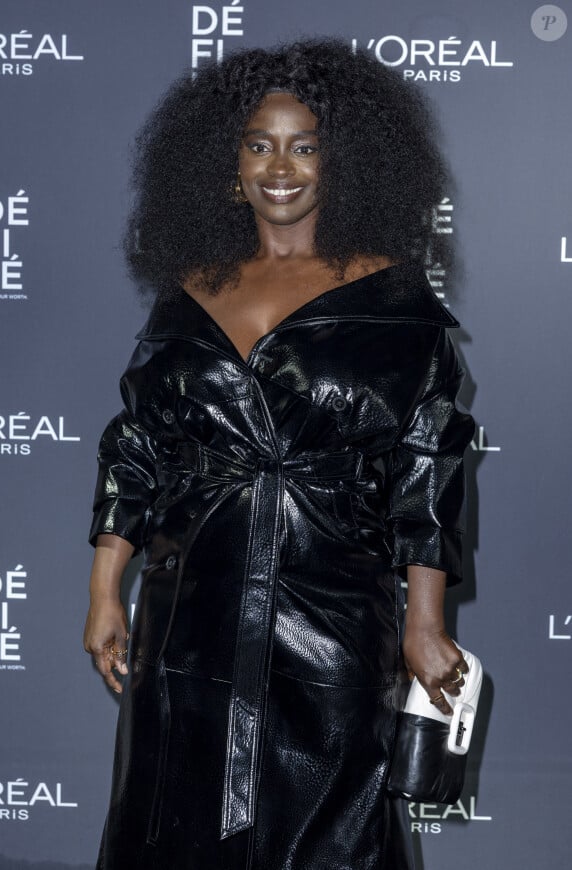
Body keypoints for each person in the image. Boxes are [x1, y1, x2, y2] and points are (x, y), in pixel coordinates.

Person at [83, 38, 475, 870]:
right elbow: (137, 446)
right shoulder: (189, 291)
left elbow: (426, 468)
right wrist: (104, 592)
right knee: (170, 818)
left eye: (305, 146)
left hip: (330, 608)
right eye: (260, 143)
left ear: (341, 165)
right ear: (230, 163)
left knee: (332, 833)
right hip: (192, 608)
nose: (280, 166)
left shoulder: (396, 299)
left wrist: (426, 622)